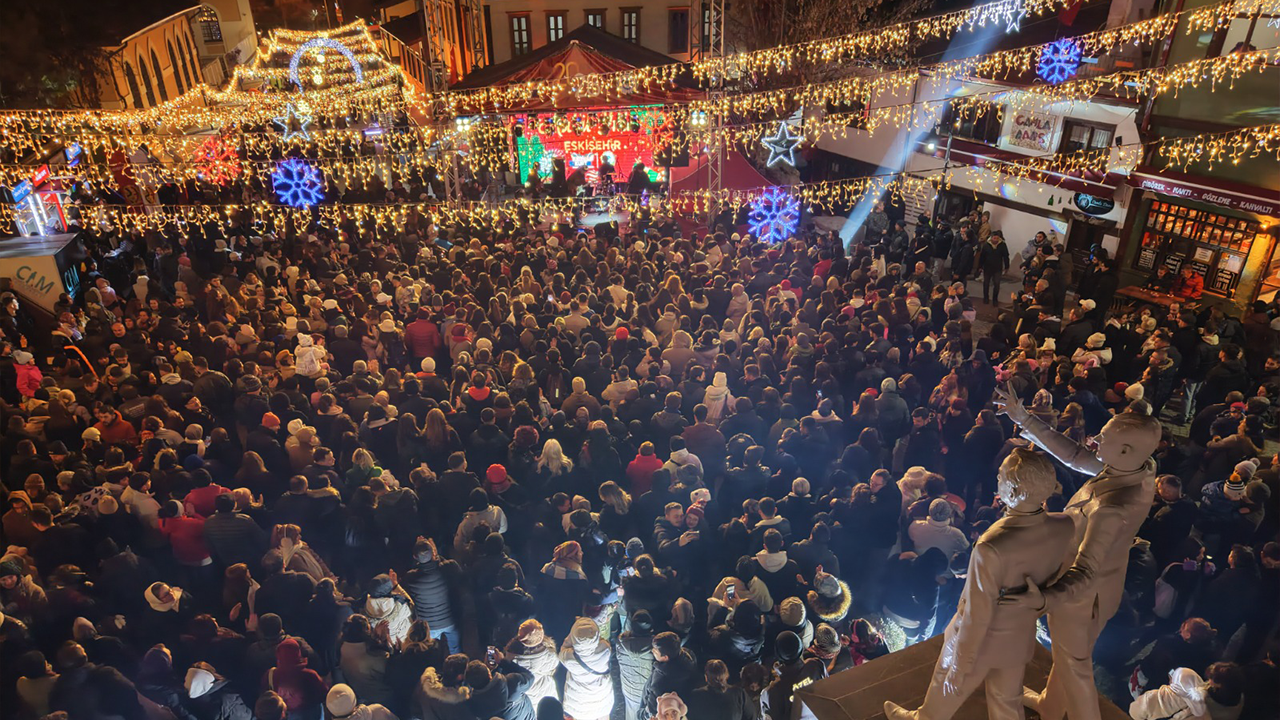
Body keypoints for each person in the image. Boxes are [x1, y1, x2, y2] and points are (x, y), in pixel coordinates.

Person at [994, 388, 1163, 720]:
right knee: (1067, 658)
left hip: (1082, 596)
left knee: (1076, 669)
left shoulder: (1113, 509)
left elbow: (1085, 569)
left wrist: (1040, 600)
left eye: (1105, 437)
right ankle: (1050, 705)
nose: (1095, 439)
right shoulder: (1136, 467)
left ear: (1126, 450)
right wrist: (1023, 417)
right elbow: (1075, 456)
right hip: (1092, 588)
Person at [884, 448, 1074, 720]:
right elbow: (1063, 579)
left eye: (1001, 476)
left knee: (943, 689)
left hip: (977, 642)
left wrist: (960, 665)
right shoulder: (1065, 525)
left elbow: (977, 611)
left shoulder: (991, 545)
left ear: (1014, 489)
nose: (997, 480)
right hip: (1020, 632)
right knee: (1007, 703)